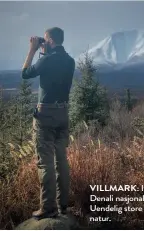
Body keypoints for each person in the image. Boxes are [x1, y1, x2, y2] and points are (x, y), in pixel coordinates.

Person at [21, 27, 75, 220]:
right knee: (61, 161)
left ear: (50, 41)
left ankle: (47, 207)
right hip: (63, 114)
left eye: (45, 40)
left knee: (45, 163)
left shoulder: (46, 60)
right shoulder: (70, 60)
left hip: (45, 117)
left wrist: (33, 50)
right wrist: (44, 52)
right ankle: (63, 206)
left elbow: (25, 73)